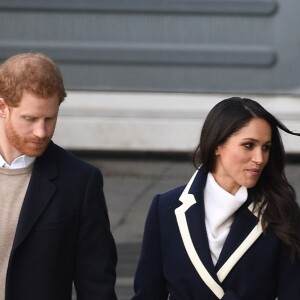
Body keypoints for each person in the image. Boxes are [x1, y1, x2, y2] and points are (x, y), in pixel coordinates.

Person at [131, 97, 300, 300]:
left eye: (266, 147)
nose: (260, 158)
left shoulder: (281, 212)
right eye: (248, 145)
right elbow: (147, 294)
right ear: (218, 145)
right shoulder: (166, 207)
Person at [0, 53, 117, 300]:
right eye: (30, 119)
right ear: (2, 108)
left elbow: (96, 283)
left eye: (49, 119)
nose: (41, 132)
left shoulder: (79, 181)